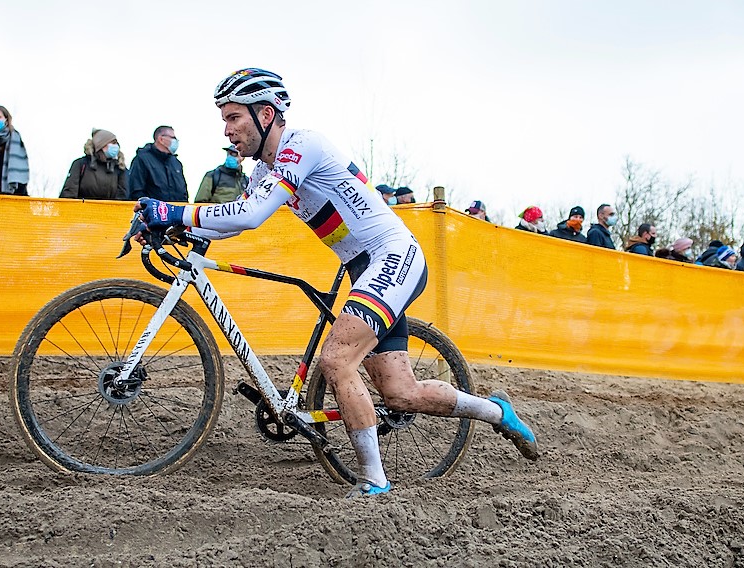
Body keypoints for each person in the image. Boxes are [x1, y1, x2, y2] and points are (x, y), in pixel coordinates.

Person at [129, 68, 538, 497]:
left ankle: (373, 482)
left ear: (265, 113)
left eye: (233, 118)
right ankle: (496, 411)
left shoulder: (302, 145)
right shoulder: (263, 171)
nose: (227, 130)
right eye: (224, 120)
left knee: (337, 359)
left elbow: (249, 216)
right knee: (400, 393)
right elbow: (233, 222)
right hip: (367, 266)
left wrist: (170, 211)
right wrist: (175, 229)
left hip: (392, 255)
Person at [59, 128, 128, 200]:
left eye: (116, 143)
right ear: (101, 145)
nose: (116, 146)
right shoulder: (80, 165)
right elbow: (69, 194)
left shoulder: (120, 168)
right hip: (82, 210)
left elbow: (123, 197)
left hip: (110, 210)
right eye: (112, 143)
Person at [128, 125, 187, 202]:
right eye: (173, 138)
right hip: (152, 212)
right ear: (161, 139)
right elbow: (137, 190)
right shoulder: (142, 159)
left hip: (175, 212)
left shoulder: (176, 163)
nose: (176, 141)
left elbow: (183, 191)